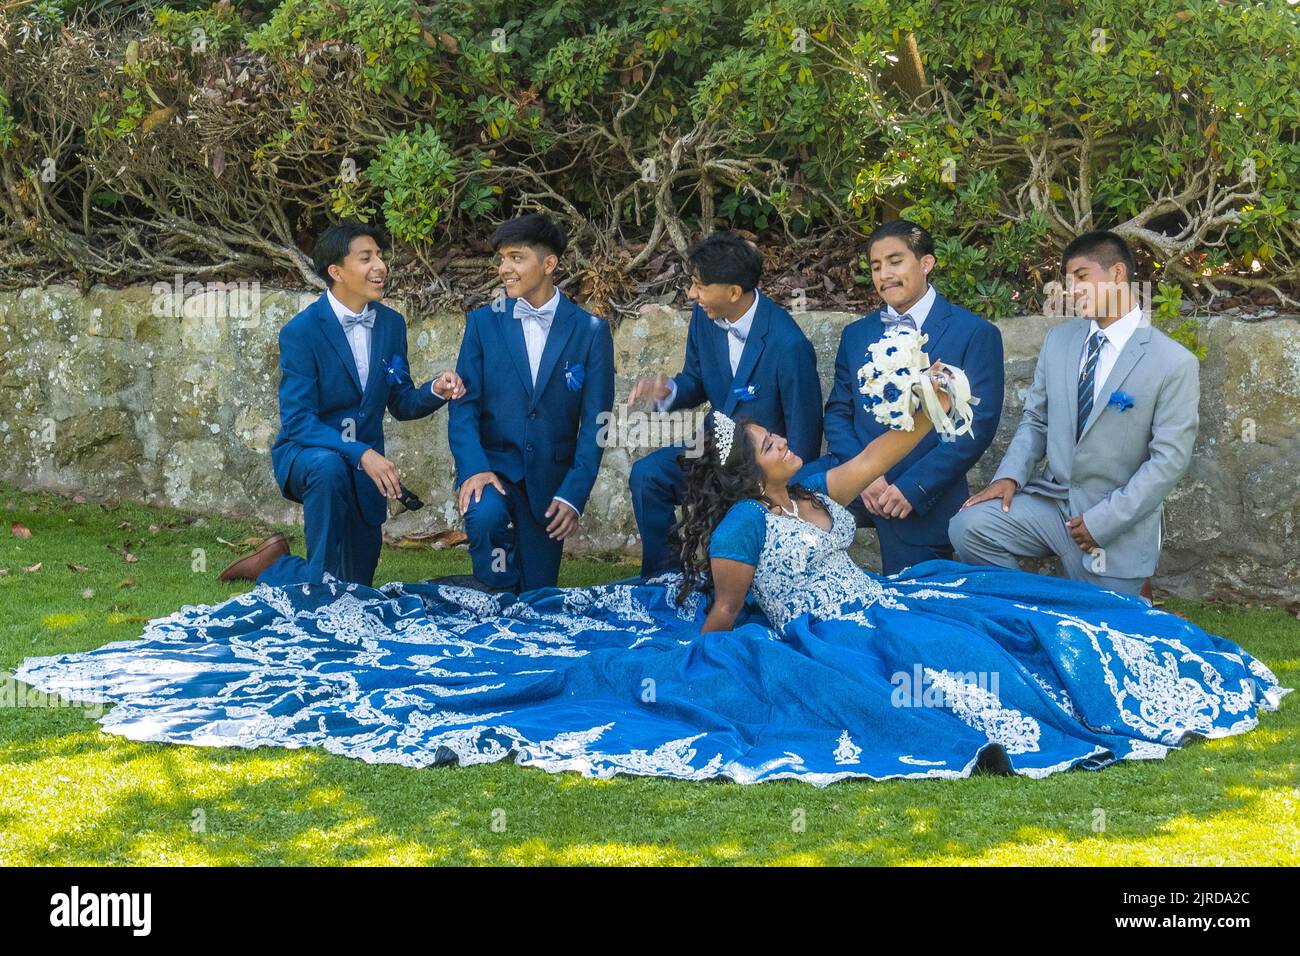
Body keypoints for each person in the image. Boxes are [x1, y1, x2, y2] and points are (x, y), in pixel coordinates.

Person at [19, 360, 1284, 785]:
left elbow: (907, 440)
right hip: (826, 631)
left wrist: (937, 403)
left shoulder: (815, 493)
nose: (799, 442)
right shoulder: (745, 525)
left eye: (794, 439)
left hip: (882, 600)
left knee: (1033, 626)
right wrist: (730, 630)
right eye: (780, 439)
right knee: (938, 678)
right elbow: (730, 622)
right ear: (747, 466)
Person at [949, 231, 1198, 599]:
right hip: (1052, 505)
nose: (1071, 289)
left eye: (1081, 276)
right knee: (968, 527)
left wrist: (1103, 522)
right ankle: (1033, 611)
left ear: (1117, 274)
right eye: (1068, 280)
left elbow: (1169, 462)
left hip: (1114, 525)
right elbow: (1037, 419)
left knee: (1110, 636)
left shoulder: (1173, 362)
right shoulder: (1059, 341)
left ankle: (1128, 601)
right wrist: (1010, 477)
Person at [218, 219, 463, 587]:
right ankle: (305, 577)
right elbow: (299, 421)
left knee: (352, 585)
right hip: (310, 457)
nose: (380, 266)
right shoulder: (300, 332)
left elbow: (400, 401)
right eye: (366, 258)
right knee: (329, 469)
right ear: (336, 271)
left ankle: (275, 565)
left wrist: (436, 390)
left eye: (379, 256)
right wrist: (362, 452)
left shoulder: (391, 325)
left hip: (363, 472)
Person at [794, 219, 1004, 574]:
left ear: (926, 264)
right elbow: (838, 414)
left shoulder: (975, 333)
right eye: (876, 267)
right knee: (783, 505)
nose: (884, 274)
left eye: (895, 261)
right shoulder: (856, 335)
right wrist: (864, 474)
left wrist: (913, 487)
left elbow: (975, 428)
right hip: (854, 476)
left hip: (923, 492)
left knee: (914, 602)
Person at [627, 231, 822, 579]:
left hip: (759, 471)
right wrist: (668, 389)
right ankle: (663, 580)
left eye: (699, 285)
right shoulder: (704, 317)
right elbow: (695, 381)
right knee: (647, 476)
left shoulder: (789, 345)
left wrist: (787, 503)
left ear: (733, 292)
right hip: (712, 451)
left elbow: (805, 440)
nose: (691, 294)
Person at [448, 213, 614, 593]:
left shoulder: (591, 331)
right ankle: (490, 601)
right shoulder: (482, 324)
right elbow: (464, 406)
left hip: (550, 484)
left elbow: (596, 422)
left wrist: (574, 493)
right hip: (495, 473)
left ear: (549, 264)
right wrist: (473, 467)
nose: (504, 268)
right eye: (502, 259)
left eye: (516, 257)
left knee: (538, 597)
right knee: (488, 528)